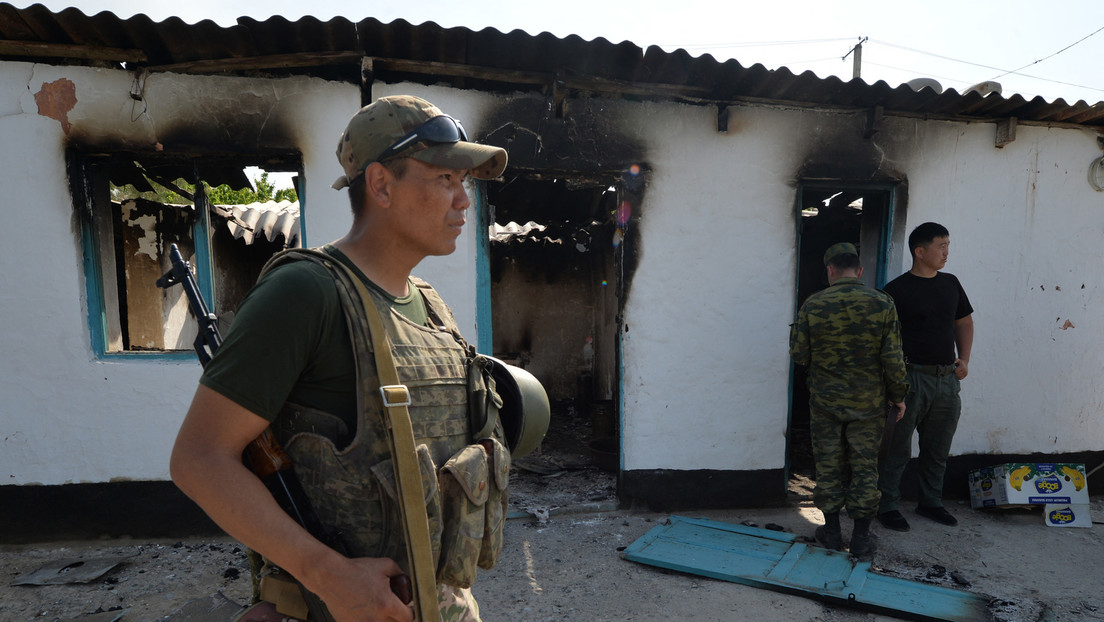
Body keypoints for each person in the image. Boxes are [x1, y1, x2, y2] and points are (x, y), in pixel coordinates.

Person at [170, 95, 509, 622]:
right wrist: (328, 576)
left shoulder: (432, 306)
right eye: (445, 178)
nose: (463, 199)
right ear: (380, 185)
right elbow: (199, 459)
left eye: (463, 182)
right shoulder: (306, 292)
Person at [790, 242, 908, 560]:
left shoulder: (814, 304)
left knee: (828, 465)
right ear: (859, 270)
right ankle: (860, 538)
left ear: (830, 270)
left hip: (825, 402)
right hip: (869, 404)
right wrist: (898, 397)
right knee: (865, 468)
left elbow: (799, 355)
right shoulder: (883, 303)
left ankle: (829, 531)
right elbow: (893, 359)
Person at [877, 222, 974, 532]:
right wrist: (893, 383)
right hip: (910, 379)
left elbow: (964, 322)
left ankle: (931, 502)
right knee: (897, 448)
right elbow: (885, 340)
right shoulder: (894, 291)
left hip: (946, 380)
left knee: (937, 447)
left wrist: (965, 360)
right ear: (920, 252)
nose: (947, 252)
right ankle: (887, 505)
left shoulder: (951, 283)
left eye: (948, 244)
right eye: (940, 246)